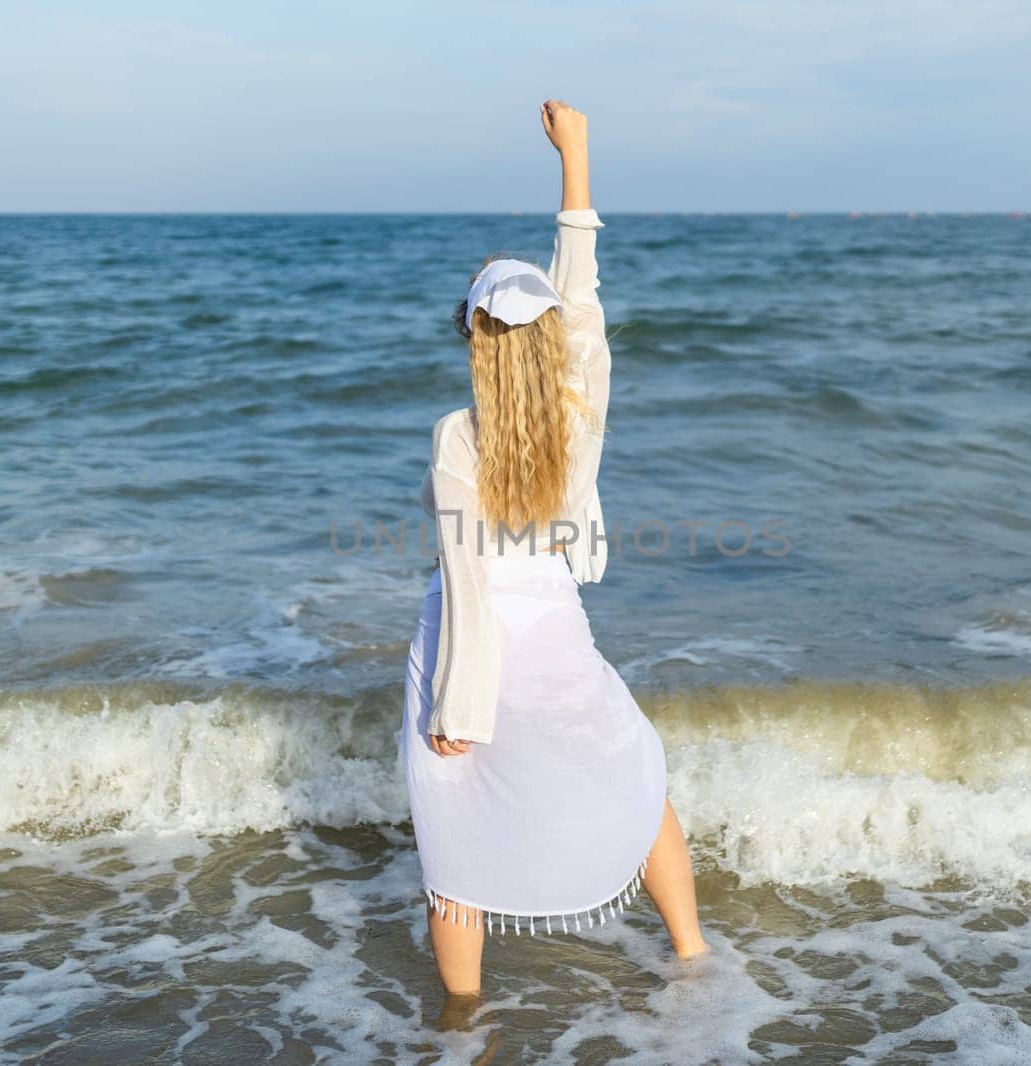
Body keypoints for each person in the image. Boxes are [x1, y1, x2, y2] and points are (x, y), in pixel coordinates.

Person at [400, 99, 708, 998]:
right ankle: (693, 958)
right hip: (558, 637)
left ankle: (463, 1024)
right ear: (550, 339)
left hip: (476, 651)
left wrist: (460, 709)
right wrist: (576, 156)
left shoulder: (460, 436)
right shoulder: (581, 411)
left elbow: (464, 583)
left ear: (473, 338)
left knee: (455, 841)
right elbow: (584, 292)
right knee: (634, 779)